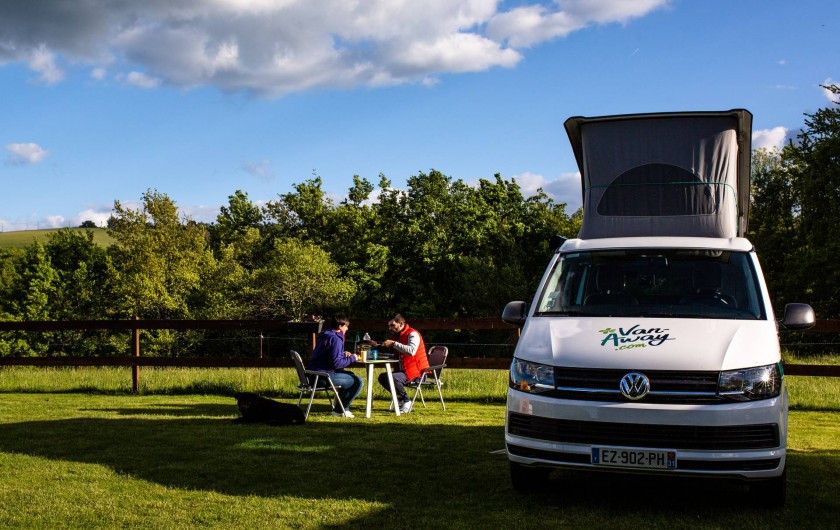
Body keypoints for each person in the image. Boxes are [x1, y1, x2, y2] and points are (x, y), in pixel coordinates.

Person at [306, 315, 364, 418]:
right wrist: (353, 358)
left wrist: (342, 354)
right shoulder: (336, 338)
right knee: (358, 381)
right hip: (322, 377)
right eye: (346, 326)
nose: (347, 329)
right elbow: (336, 364)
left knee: (350, 374)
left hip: (312, 375)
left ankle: (341, 408)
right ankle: (340, 410)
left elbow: (327, 355)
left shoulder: (326, 334)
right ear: (340, 326)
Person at [377, 314, 430, 413]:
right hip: (405, 371)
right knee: (382, 377)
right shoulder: (399, 336)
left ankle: (407, 402)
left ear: (401, 323)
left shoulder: (413, 334)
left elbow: (411, 351)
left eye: (392, 325)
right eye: (389, 326)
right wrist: (383, 355)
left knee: (392, 377)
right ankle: (401, 401)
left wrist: (394, 343)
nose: (390, 328)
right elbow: (400, 355)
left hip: (418, 373)